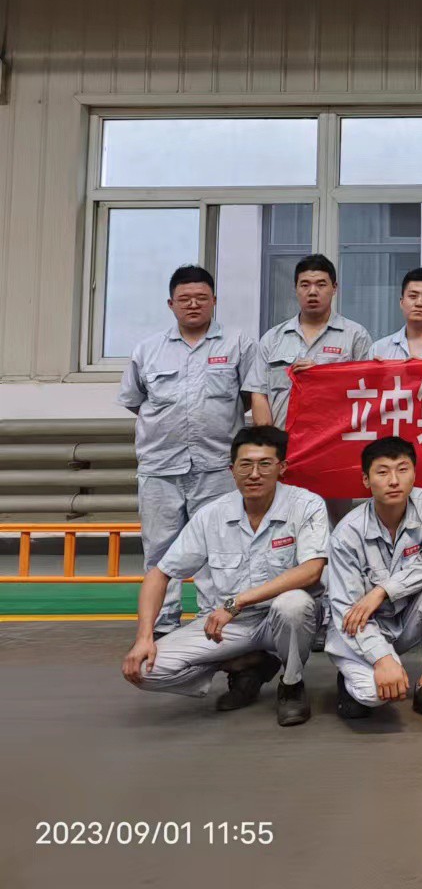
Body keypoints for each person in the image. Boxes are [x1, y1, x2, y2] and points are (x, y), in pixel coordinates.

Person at [120, 425, 325, 728]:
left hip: (281, 620)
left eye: (265, 464)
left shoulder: (306, 505)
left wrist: (237, 602)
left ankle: (292, 684)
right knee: (143, 670)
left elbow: (312, 569)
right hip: (233, 625)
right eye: (245, 465)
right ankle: (245, 663)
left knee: (293, 604)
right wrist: (144, 638)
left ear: (282, 468)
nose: (254, 474)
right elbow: (159, 574)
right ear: (232, 470)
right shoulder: (212, 515)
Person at [119, 265, 269, 635]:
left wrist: (266, 448)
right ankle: (162, 626)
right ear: (170, 304)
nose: (193, 304)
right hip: (160, 467)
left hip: (217, 467)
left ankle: (213, 621)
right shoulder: (147, 350)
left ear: (214, 301)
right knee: (160, 549)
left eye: (201, 298)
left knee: (219, 549)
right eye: (184, 299)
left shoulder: (238, 344)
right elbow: (136, 401)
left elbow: (254, 397)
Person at [324, 435, 422, 725]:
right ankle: (351, 677)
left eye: (402, 469)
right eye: (383, 472)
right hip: (361, 625)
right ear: (366, 480)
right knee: (374, 694)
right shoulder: (347, 534)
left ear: (414, 473)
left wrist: (383, 590)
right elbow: (347, 611)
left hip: (405, 616)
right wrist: (382, 659)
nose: (394, 480)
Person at [256, 253, 372, 428]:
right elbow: (259, 393)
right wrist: (269, 440)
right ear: (295, 288)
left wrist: (323, 377)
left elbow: (367, 392)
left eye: (321, 284)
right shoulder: (273, 338)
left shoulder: (356, 336)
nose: (312, 292)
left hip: (332, 439)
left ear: (334, 288)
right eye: (305, 285)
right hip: (282, 439)